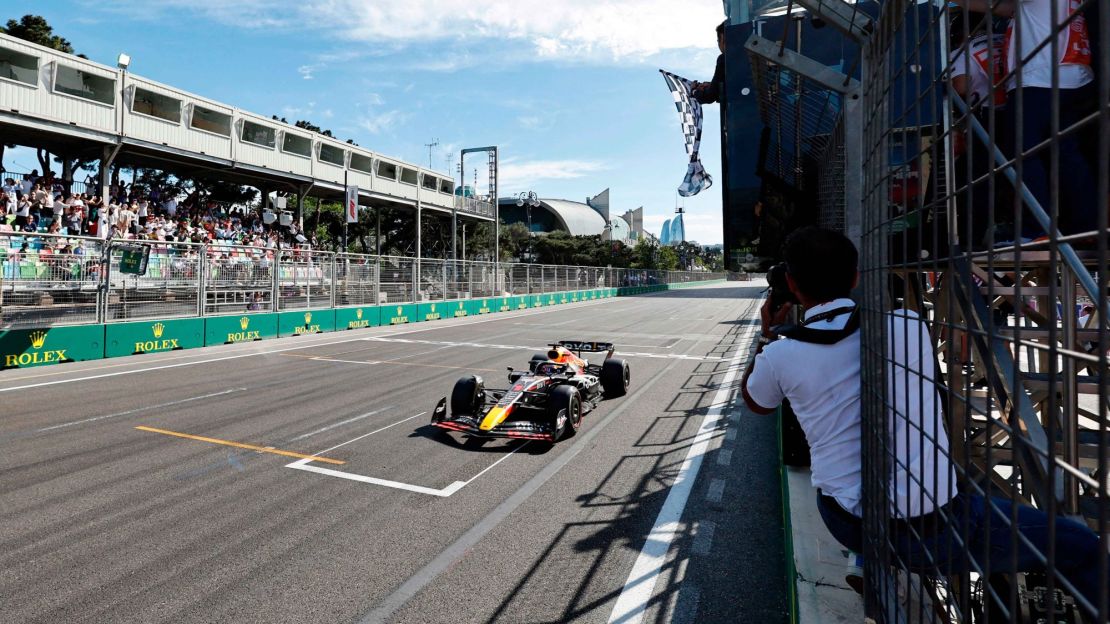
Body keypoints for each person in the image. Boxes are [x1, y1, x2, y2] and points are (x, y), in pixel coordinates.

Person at [741, 226, 1105, 613]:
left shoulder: (780, 356)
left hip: (846, 520)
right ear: (856, 277)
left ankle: (871, 569)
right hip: (928, 524)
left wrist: (769, 335)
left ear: (792, 286)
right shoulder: (909, 325)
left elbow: (757, 402)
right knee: (1083, 548)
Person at [959, 0, 1097, 237]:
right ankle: (1084, 227)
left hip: (1038, 76)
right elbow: (1002, 7)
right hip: (1072, 75)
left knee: (1023, 154)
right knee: (1066, 155)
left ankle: (1035, 228)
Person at [692, 20, 727, 105]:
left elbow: (709, 96)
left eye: (718, 40)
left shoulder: (724, 59)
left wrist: (694, 91)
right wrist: (712, 85)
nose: (719, 44)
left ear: (722, 38)